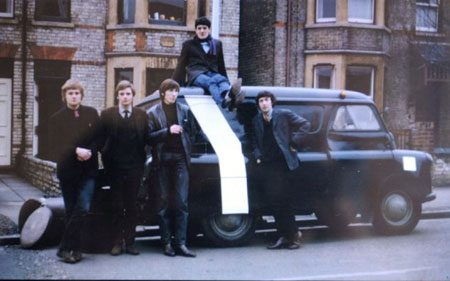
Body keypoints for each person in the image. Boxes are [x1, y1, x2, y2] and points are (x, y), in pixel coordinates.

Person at [251, 91, 311, 250]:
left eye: (267, 100)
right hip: (268, 165)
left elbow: (305, 124)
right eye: (261, 101)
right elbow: (255, 142)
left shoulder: (283, 114)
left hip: (284, 164)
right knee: (274, 202)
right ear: (258, 104)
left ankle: (293, 237)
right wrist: (257, 156)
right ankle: (286, 236)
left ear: (272, 102)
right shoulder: (256, 120)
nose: (264, 103)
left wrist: (294, 143)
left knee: (285, 201)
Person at [49, 79, 100, 263]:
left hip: (88, 171)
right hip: (68, 171)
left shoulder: (92, 113)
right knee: (71, 211)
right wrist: (75, 151)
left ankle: (64, 247)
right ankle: (75, 250)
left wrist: (90, 151)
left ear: (81, 95)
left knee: (83, 208)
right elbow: (53, 146)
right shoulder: (56, 118)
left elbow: (99, 138)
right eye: (70, 93)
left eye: (77, 93)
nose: (74, 96)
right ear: (64, 96)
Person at [99, 80, 150, 256]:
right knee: (116, 205)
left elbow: (147, 139)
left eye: (128, 94)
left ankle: (130, 242)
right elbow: (100, 138)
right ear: (117, 96)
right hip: (115, 168)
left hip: (135, 168)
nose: (125, 97)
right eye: (122, 94)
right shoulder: (107, 115)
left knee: (132, 206)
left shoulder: (142, 115)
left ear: (133, 95)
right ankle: (116, 242)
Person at [148, 78, 197, 257]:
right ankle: (166, 243)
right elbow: (149, 138)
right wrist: (168, 131)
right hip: (162, 161)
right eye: (170, 91)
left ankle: (181, 243)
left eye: (176, 91)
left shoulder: (184, 110)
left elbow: (193, 132)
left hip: (180, 159)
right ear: (163, 93)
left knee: (181, 202)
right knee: (164, 202)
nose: (174, 94)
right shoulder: (153, 112)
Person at [172, 16, 244, 111]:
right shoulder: (188, 45)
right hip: (196, 75)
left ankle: (229, 97)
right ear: (196, 30)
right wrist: (172, 85)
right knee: (211, 82)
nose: (202, 31)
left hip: (213, 73)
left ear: (209, 30)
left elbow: (221, 64)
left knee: (222, 80)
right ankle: (222, 102)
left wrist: (227, 81)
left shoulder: (217, 44)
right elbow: (180, 66)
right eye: (199, 28)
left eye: (204, 28)